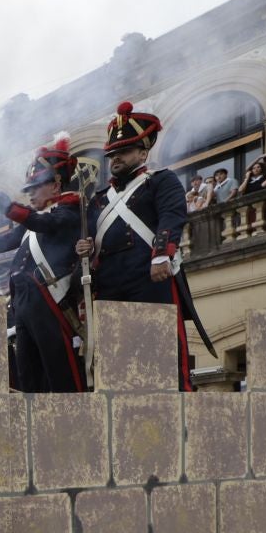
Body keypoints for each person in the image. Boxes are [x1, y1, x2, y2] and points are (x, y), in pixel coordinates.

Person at [74, 101, 215, 392]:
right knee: (118, 361)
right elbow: (91, 238)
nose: (116, 158)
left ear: (143, 152)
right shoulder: (100, 198)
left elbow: (172, 216)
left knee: (162, 353)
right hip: (110, 282)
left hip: (147, 277)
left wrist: (162, 254)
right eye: (113, 154)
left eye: (124, 151)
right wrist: (85, 248)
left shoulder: (161, 181)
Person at [0, 134, 87, 394]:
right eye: (28, 189)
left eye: (35, 187)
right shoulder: (33, 221)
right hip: (22, 303)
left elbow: (46, 224)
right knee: (28, 377)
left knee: (61, 376)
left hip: (50, 300)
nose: (30, 193)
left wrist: (7, 207)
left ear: (56, 185)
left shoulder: (69, 212)